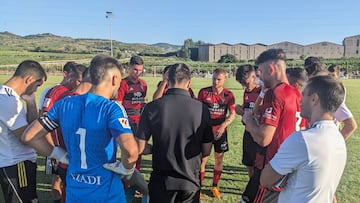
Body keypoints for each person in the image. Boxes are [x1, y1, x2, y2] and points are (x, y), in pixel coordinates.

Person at [21, 55, 139, 202]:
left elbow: (29, 136)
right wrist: (126, 169)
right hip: (106, 194)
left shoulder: (64, 104)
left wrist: (60, 155)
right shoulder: (112, 108)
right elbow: (132, 152)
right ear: (115, 79)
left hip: (74, 193)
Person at [260, 75, 347, 203]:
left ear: (314, 99)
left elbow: (266, 180)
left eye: (304, 94)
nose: (300, 100)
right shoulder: (338, 137)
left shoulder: (303, 139)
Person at [135, 63, 213, 203]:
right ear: (189, 83)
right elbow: (206, 150)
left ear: (168, 81)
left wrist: (156, 148)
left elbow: (139, 147)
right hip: (190, 181)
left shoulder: (152, 107)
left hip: (161, 182)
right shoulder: (202, 109)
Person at [241, 49, 301, 203]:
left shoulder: (275, 93)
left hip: (273, 167)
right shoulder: (297, 94)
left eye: (260, 71)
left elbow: (263, 138)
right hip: (291, 168)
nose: (258, 76)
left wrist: (249, 121)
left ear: (272, 69)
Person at [0, 60, 46, 202]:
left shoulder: (11, 97)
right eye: (37, 86)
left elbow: (28, 127)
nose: (36, 90)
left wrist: (31, 103)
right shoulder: (6, 100)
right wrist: (57, 153)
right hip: (16, 164)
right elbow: (26, 137)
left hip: (21, 162)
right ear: (29, 80)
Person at [41, 62, 86, 203]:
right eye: (78, 80)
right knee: (57, 179)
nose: (79, 84)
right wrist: (52, 150)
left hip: (70, 147)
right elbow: (43, 120)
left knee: (66, 182)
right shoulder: (55, 92)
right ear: (67, 76)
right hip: (56, 146)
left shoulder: (76, 94)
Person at [197, 68, 236, 198]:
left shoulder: (229, 95)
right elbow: (197, 111)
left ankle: (215, 186)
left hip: (220, 131)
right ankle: (199, 188)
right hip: (206, 131)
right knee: (203, 159)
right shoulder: (203, 92)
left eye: (219, 79)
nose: (215, 81)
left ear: (225, 80)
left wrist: (223, 126)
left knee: (219, 159)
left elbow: (232, 114)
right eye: (214, 78)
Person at [116, 55, 147, 202]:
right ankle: (126, 184)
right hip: (127, 124)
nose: (137, 73)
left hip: (140, 124)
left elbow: (142, 104)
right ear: (129, 68)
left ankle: (136, 183)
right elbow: (118, 104)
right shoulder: (123, 84)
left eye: (140, 70)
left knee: (138, 154)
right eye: (135, 69)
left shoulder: (143, 84)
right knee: (128, 154)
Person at [234, 64, 262, 178]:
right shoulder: (247, 91)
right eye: (241, 84)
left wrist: (246, 113)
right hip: (248, 133)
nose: (243, 87)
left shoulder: (263, 92)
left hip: (260, 134)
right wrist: (240, 109)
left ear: (254, 76)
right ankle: (252, 188)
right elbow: (247, 108)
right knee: (249, 164)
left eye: (245, 83)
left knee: (259, 166)